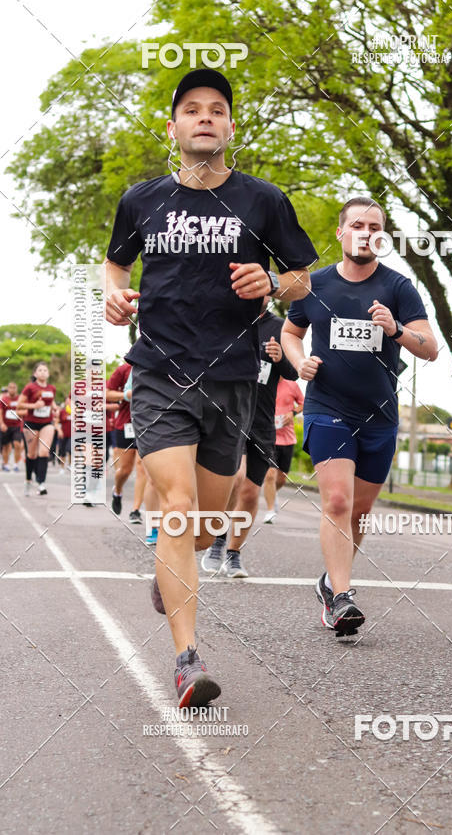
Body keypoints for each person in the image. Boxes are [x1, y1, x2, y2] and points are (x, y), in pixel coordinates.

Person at [104, 68, 317, 707]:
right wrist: (114, 293)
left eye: (216, 109)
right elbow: (116, 259)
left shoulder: (264, 202)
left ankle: (174, 575)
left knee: (205, 525)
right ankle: (187, 660)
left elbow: (305, 275)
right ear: (173, 128)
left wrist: (274, 285)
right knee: (174, 507)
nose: (204, 117)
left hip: (232, 380)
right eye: (191, 109)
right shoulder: (141, 201)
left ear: (229, 127)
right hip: (162, 372)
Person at [282, 197, 438, 637]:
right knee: (336, 501)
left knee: (360, 513)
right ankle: (343, 598)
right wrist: (299, 362)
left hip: (380, 415)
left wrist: (397, 329)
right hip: (327, 408)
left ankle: (332, 583)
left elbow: (430, 349)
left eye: (374, 226)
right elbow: (291, 331)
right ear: (341, 232)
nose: (365, 232)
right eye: (357, 225)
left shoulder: (398, 287)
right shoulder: (313, 285)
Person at [201, 297, 298, 577]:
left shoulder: (280, 327)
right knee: (236, 478)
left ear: (269, 294)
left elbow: (293, 373)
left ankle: (234, 554)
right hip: (231, 415)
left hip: (263, 422)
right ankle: (217, 539)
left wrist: (281, 357)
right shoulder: (228, 320)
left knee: (251, 492)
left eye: (266, 289)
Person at [262, 376, 304, 523]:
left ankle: (273, 495)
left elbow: (303, 403)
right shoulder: (264, 381)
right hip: (269, 437)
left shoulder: (292, 385)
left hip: (287, 438)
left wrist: (292, 413)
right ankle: (270, 510)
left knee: (281, 479)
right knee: (270, 475)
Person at [17, 363, 58, 496]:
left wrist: (55, 408)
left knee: (44, 452)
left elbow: (51, 401)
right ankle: (28, 481)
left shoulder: (52, 388)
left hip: (47, 422)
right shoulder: (30, 387)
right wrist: (34, 405)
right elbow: (19, 406)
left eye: (45, 370)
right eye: (39, 370)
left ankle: (41, 483)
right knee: (31, 454)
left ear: (48, 373)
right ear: (35, 374)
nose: (42, 372)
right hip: (31, 423)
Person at [106, 361, 139, 518]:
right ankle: (117, 491)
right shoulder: (125, 369)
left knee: (144, 469)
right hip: (127, 425)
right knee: (125, 469)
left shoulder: (160, 364)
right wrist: (126, 395)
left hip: (152, 424)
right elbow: (107, 394)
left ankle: (136, 510)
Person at [1, 382, 25, 471]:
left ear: (16, 388)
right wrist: (2, 423)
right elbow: (1, 412)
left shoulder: (20, 399)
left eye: (14, 387)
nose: (12, 389)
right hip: (6, 426)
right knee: (6, 446)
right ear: (8, 389)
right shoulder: (4, 399)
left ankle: (15, 464)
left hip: (17, 426)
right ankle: (6, 464)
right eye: (10, 387)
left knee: (17, 444)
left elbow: (24, 411)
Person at [57, 396, 72, 473]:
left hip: (72, 434)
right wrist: (59, 430)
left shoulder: (77, 411)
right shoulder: (62, 411)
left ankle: (70, 464)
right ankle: (62, 467)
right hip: (63, 434)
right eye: (67, 401)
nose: (69, 402)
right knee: (62, 452)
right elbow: (57, 422)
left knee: (70, 450)